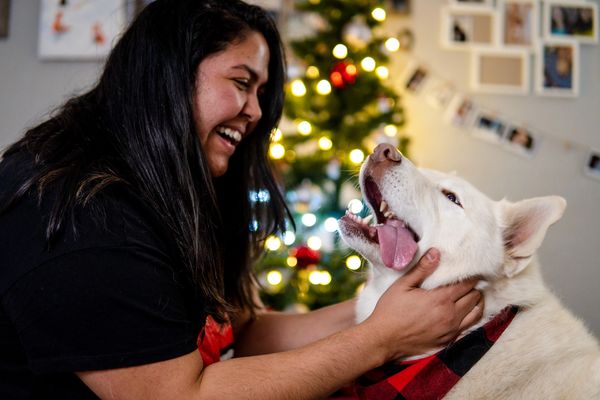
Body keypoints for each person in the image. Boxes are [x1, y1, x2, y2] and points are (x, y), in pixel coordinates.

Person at [0, 0, 483, 398]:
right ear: (169, 74)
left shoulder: (169, 187)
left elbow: (239, 334)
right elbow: (179, 396)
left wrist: (387, 304)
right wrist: (381, 338)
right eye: (240, 82)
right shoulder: (81, 211)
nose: (254, 112)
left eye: (261, 91)